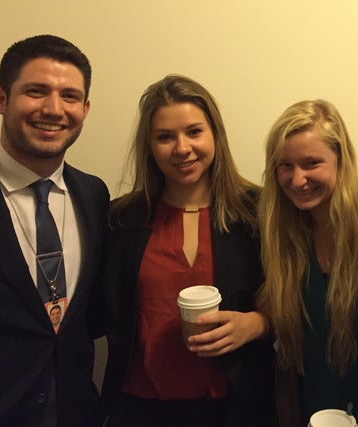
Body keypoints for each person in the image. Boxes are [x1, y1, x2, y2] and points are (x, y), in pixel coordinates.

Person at [0, 35, 109, 426]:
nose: (54, 109)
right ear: (1, 98)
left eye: (70, 96)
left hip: (74, 411)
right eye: (36, 92)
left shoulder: (94, 194)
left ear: (85, 108)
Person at [96, 74, 275, 427]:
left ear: (215, 136)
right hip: (140, 406)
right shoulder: (121, 220)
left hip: (236, 406)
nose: (181, 148)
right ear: (149, 145)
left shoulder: (260, 211)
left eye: (194, 132)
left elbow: (298, 298)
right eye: (165, 137)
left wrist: (259, 323)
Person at [256, 100, 358, 426]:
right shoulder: (283, 238)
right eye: (285, 166)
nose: (298, 180)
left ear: (341, 161)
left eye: (312, 163)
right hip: (309, 410)